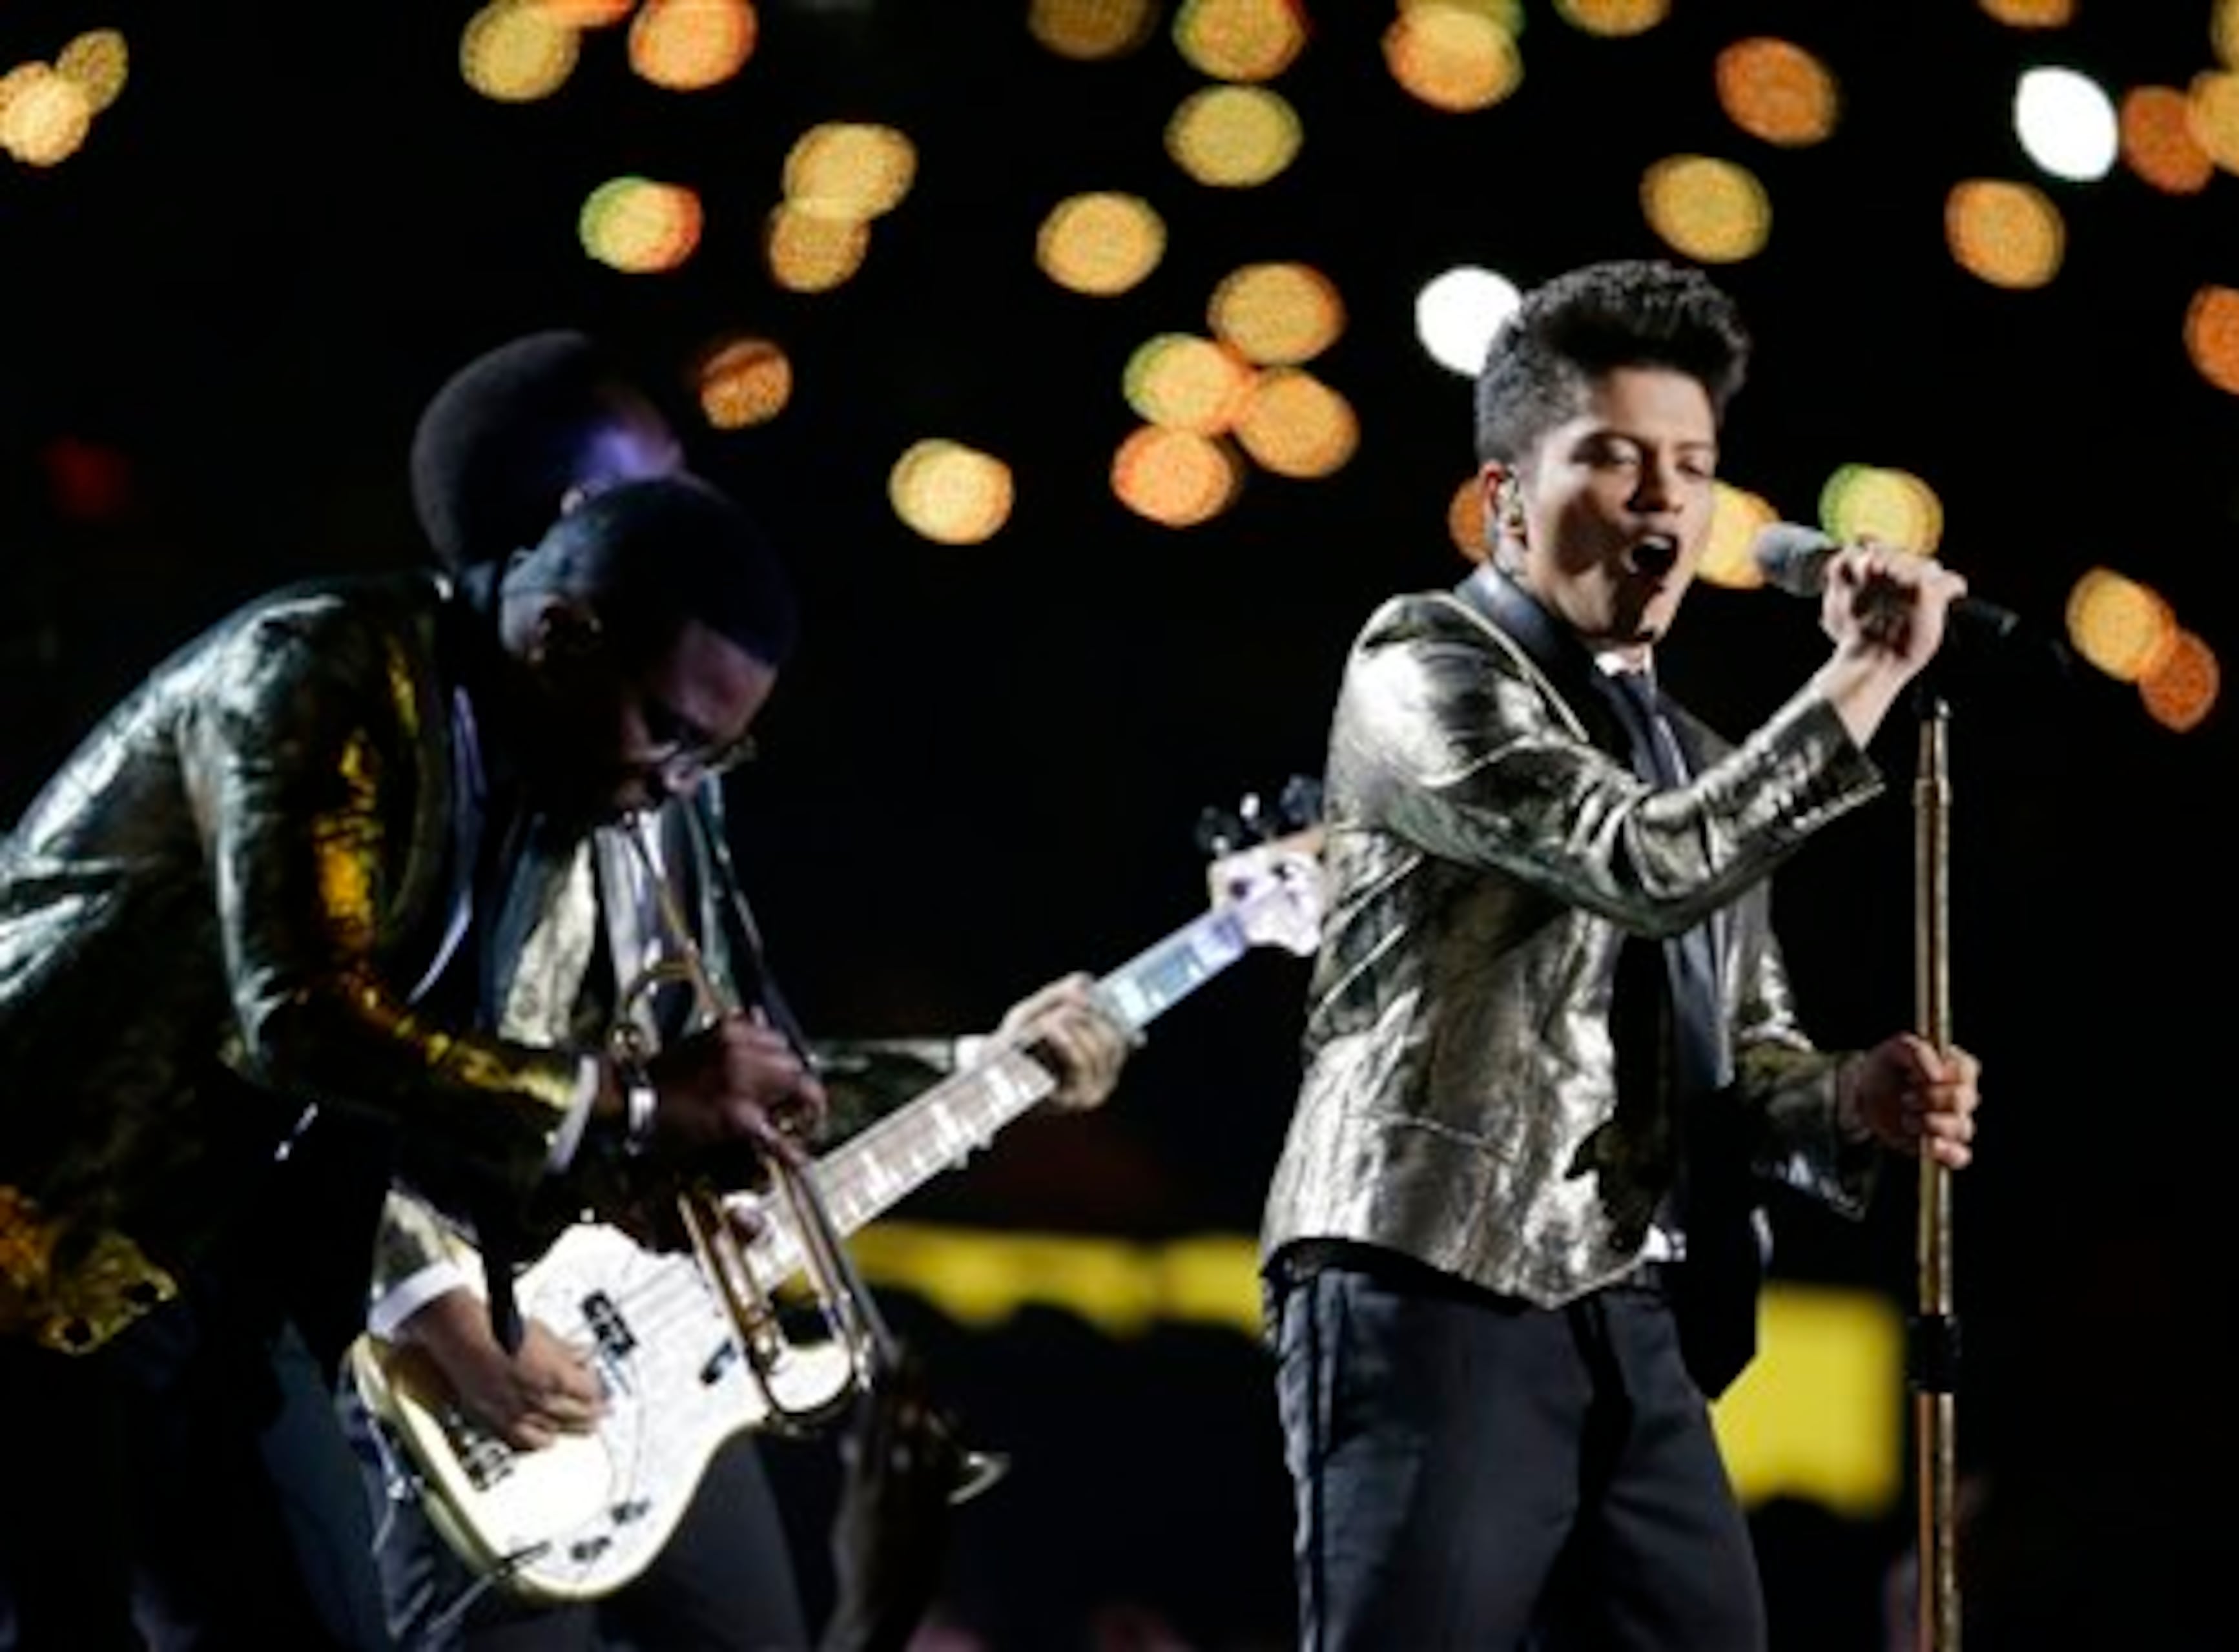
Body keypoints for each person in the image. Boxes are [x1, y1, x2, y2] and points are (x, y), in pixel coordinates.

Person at [337, 329, 1132, 1652]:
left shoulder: (670, 763)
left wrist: (980, 1067)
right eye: (667, 481)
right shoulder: (408, 743)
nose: (701, 512)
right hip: (461, 1352)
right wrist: (421, 1306)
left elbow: (721, 1079)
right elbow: (306, 1054)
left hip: (659, 1344)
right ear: (581, 525)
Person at [1256, 257, 1985, 1651]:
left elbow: (1740, 1044)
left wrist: (1846, 1097)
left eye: (1694, 464)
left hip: (1636, 1308)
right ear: (1507, 498)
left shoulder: (1703, 760)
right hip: (1436, 1275)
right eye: (1613, 457)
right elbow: (1644, 861)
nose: (1664, 495)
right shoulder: (1424, 664)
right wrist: (1866, 675)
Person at [0, 463, 829, 1648]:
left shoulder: (537, 774)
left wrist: (645, 1175)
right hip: (47, 1223)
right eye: (668, 732)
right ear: (560, 634)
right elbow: (304, 1018)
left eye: (712, 760)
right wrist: (636, 1103)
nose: (672, 790)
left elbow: (452, 1081)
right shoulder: (320, 670)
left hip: (226, 1271)